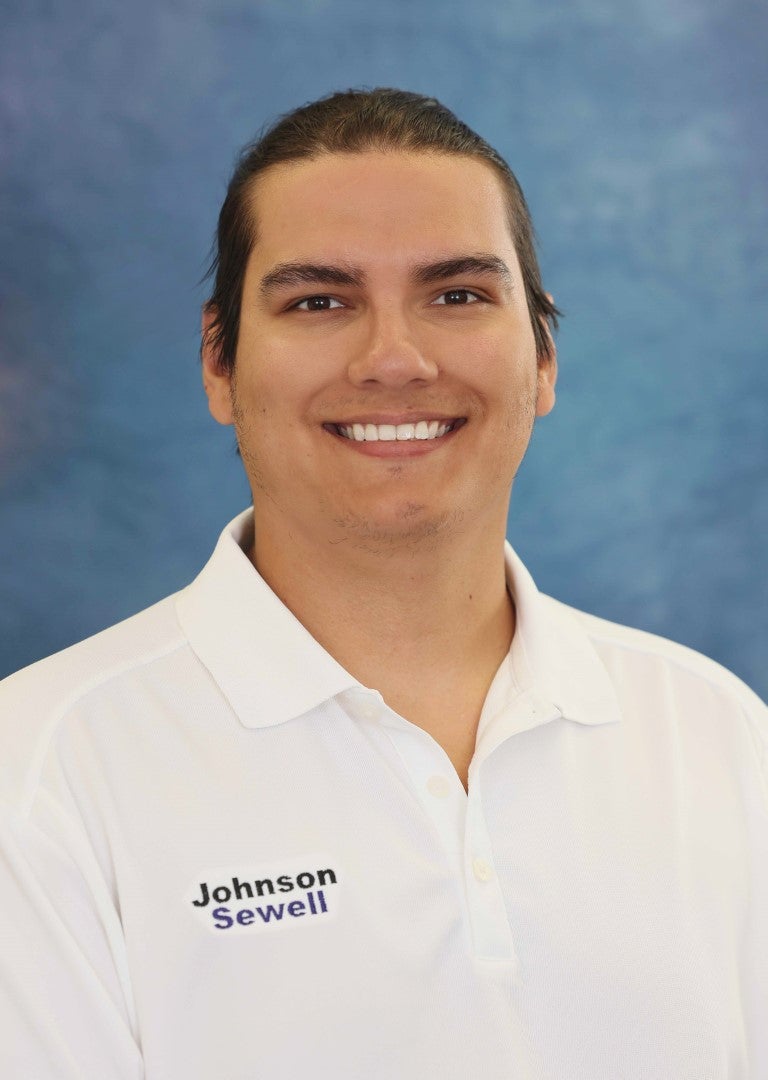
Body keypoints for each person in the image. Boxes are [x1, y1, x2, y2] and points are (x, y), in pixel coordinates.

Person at [0, 88, 765, 1080]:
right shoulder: (41, 776)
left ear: (543, 357)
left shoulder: (718, 735)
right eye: (319, 302)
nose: (394, 360)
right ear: (219, 363)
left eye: (458, 295)